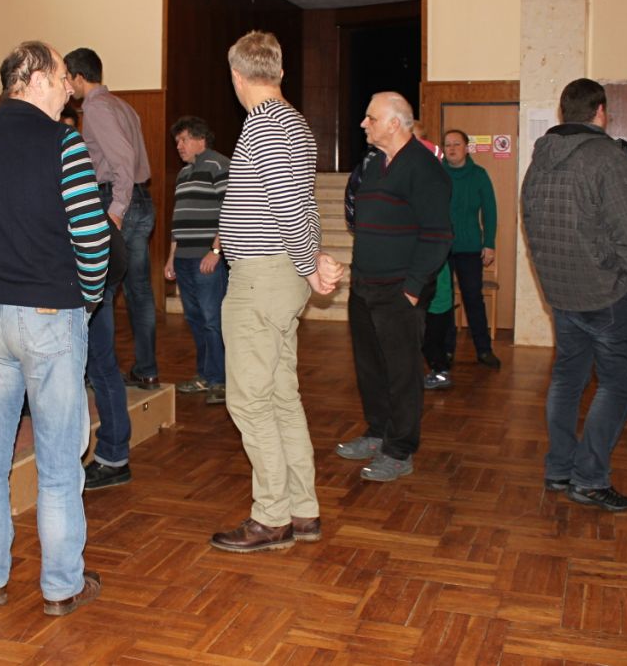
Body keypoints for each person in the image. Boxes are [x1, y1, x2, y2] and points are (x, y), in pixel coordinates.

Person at [0, 40, 109, 616]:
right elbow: (92, 238)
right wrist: (85, 300)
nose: (68, 89)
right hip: (51, 313)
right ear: (30, 78)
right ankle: (60, 587)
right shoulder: (63, 143)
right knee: (58, 464)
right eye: (60, 78)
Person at [209, 30, 343, 553]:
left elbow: (288, 205)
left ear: (236, 76)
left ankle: (271, 517)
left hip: (262, 279)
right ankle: (302, 510)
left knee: (250, 400)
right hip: (279, 273)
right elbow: (302, 203)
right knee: (281, 397)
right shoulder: (295, 122)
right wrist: (313, 258)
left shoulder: (264, 124)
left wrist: (310, 266)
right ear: (280, 72)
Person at [521, 78, 627, 513]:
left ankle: (560, 468)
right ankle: (588, 478)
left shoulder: (539, 161)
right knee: (619, 384)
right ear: (600, 111)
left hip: (563, 293)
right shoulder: (606, 157)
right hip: (610, 294)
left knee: (568, 379)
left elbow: (532, 226)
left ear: (564, 112)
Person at [336, 93, 452, 481]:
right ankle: (377, 432)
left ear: (394, 123)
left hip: (399, 290)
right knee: (369, 368)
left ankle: (400, 450)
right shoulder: (373, 164)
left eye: (370, 118)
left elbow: (438, 235)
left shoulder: (424, 167)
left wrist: (413, 288)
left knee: (402, 373)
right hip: (364, 286)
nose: (363, 124)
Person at [64, 48, 158, 390]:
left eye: (67, 78)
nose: (67, 85)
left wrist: (115, 210)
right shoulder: (122, 106)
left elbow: (122, 159)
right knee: (139, 292)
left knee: (100, 290)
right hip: (141, 199)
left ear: (78, 77)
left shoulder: (96, 107)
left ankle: (101, 373)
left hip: (117, 200)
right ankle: (146, 369)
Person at [163, 116, 230, 404]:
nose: (179, 145)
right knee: (195, 319)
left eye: (184, 139)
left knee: (213, 320)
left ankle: (220, 380)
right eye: (177, 141)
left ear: (201, 139)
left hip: (206, 259)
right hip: (184, 259)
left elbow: (230, 211)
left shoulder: (219, 164)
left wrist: (215, 252)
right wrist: (171, 258)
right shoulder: (183, 174)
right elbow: (179, 221)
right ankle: (204, 375)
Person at [441, 129, 501, 369]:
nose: (452, 148)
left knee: (473, 299)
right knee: (443, 301)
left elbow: (490, 212)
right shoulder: (437, 173)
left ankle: (484, 350)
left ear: (467, 148)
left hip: (469, 248)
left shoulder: (479, 175)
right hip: (441, 248)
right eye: (447, 145)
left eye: (456, 144)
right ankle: (445, 351)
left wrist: (489, 243)